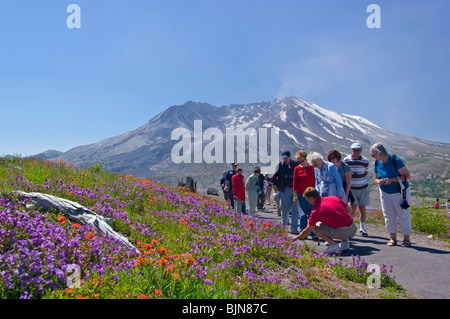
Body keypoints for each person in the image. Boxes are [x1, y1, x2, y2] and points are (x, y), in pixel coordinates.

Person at [292, 187, 357, 255]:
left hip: (341, 233)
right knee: (332, 221)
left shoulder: (316, 210)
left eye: (307, 200)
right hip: (353, 229)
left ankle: (333, 245)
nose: (308, 202)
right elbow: (350, 210)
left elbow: (309, 229)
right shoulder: (334, 198)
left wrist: (297, 237)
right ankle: (345, 243)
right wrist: (346, 223)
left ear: (311, 198)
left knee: (314, 227)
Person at [370, 142, 412, 247]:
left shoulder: (395, 160)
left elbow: (407, 176)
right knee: (388, 215)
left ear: (380, 153)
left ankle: (406, 239)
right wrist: (379, 181)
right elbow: (375, 178)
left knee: (403, 215)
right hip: (384, 192)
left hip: (399, 192)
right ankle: (392, 238)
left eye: (373, 154)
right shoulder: (377, 163)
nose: (373, 156)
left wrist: (392, 180)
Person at [343, 142, 370, 237]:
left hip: (363, 187)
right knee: (353, 207)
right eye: (354, 150)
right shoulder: (346, 160)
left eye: (358, 151)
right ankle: (350, 225)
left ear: (361, 150)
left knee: (362, 207)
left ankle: (362, 228)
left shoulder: (365, 161)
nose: (356, 152)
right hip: (352, 188)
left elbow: (366, 172)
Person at [272, 150, 300, 234]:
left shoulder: (296, 164)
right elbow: (273, 177)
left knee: (295, 209)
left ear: (290, 156)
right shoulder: (280, 165)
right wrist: (277, 187)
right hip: (284, 189)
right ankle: (284, 226)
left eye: (286, 157)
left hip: (295, 189)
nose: (285, 159)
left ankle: (294, 228)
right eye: (284, 158)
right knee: (284, 209)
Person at [292, 150, 319, 239]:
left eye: (302, 161)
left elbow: (317, 181)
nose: (301, 163)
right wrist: (295, 196)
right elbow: (295, 184)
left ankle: (314, 232)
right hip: (301, 195)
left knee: (312, 214)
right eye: (299, 161)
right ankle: (303, 232)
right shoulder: (297, 169)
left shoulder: (312, 168)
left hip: (312, 195)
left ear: (306, 159)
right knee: (303, 214)